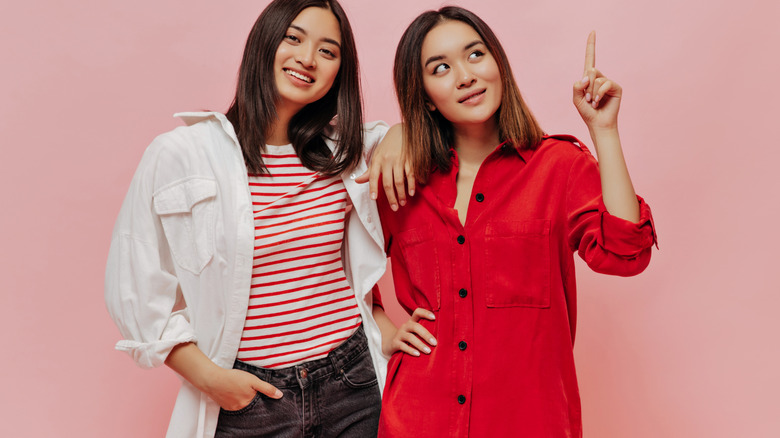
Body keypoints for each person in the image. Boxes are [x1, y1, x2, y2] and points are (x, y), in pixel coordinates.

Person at [104, 0, 402, 436]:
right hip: (252, 400)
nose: (308, 58)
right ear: (264, 42)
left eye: (327, 51)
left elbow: (415, 142)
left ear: (340, 71)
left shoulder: (345, 153)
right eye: (293, 38)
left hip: (353, 384)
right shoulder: (182, 154)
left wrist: (398, 132)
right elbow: (135, 285)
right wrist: (213, 381)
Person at [371, 6, 658, 437]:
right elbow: (337, 268)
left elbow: (625, 253)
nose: (465, 76)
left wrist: (604, 131)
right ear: (425, 95)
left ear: (498, 64)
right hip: (418, 420)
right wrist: (382, 329)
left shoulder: (557, 166)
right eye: (441, 68)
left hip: (529, 422)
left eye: (475, 55)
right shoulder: (403, 180)